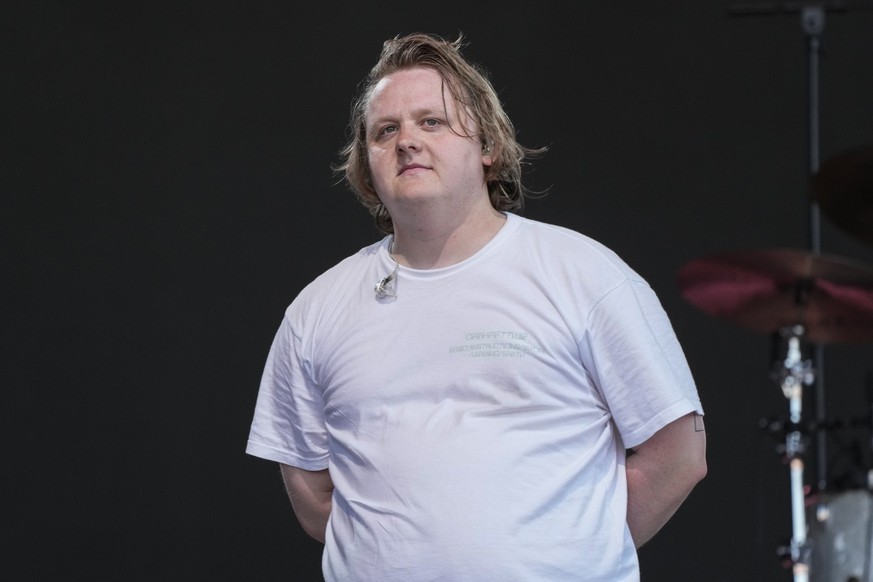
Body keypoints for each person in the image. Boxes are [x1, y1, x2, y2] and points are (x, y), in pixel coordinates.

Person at [246, 32, 707, 581]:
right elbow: (314, 496)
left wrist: (573, 550)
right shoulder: (316, 310)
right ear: (366, 169)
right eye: (385, 130)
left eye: (431, 121)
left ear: (487, 145)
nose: (407, 141)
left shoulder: (585, 275)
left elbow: (678, 456)